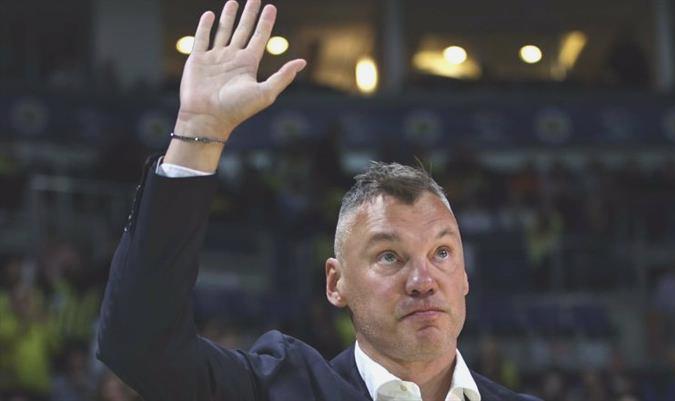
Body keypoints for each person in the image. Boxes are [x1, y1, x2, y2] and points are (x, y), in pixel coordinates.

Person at [95, 1, 542, 401]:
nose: (423, 281)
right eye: (389, 256)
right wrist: (200, 131)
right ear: (336, 283)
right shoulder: (284, 390)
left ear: (464, 275)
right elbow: (139, 345)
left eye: (441, 252)